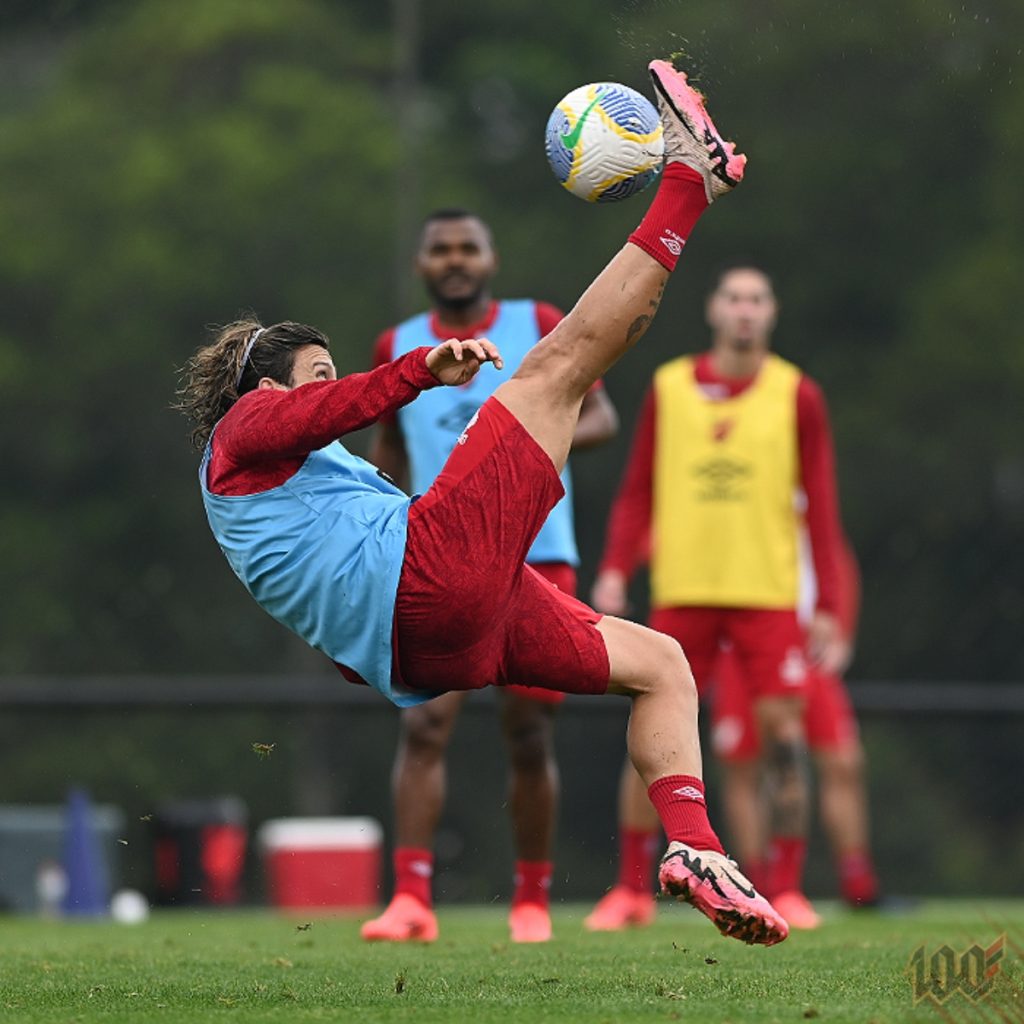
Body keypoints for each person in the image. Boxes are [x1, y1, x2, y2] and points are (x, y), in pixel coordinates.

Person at [178, 60, 788, 947]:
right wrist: (416, 370)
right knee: (559, 360)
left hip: (435, 643)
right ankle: (689, 181)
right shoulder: (243, 432)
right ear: (262, 387)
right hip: (431, 588)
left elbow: (332, 582)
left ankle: (694, 850)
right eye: (315, 371)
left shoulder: (284, 488)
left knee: (660, 665)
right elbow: (322, 409)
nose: (328, 385)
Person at [360, 208, 618, 944]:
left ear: (491, 258)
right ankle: (411, 899)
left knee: (530, 730)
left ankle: (531, 901)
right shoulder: (399, 345)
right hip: (439, 558)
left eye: (466, 247)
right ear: (421, 265)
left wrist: (523, 448)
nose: (454, 260)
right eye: (439, 249)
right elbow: (388, 450)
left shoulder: (536, 321)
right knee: (424, 723)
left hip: (538, 549)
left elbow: (599, 418)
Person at [585, 260, 845, 933]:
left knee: (784, 738)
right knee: (654, 731)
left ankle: (786, 887)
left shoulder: (798, 394)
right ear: (713, 310)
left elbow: (821, 506)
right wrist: (616, 567)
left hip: (766, 592)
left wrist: (831, 605)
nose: (745, 311)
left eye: (758, 299)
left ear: (772, 313)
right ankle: (629, 889)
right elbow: (638, 489)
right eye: (734, 298)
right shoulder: (670, 387)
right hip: (685, 588)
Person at [712, 532, 881, 909]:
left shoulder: (801, 489)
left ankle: (857, 885)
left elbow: (834, 555)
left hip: (805, 640)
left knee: (842, 760)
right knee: (744, 768)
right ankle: (758, 886)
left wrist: (842, 630)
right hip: (741, 641)